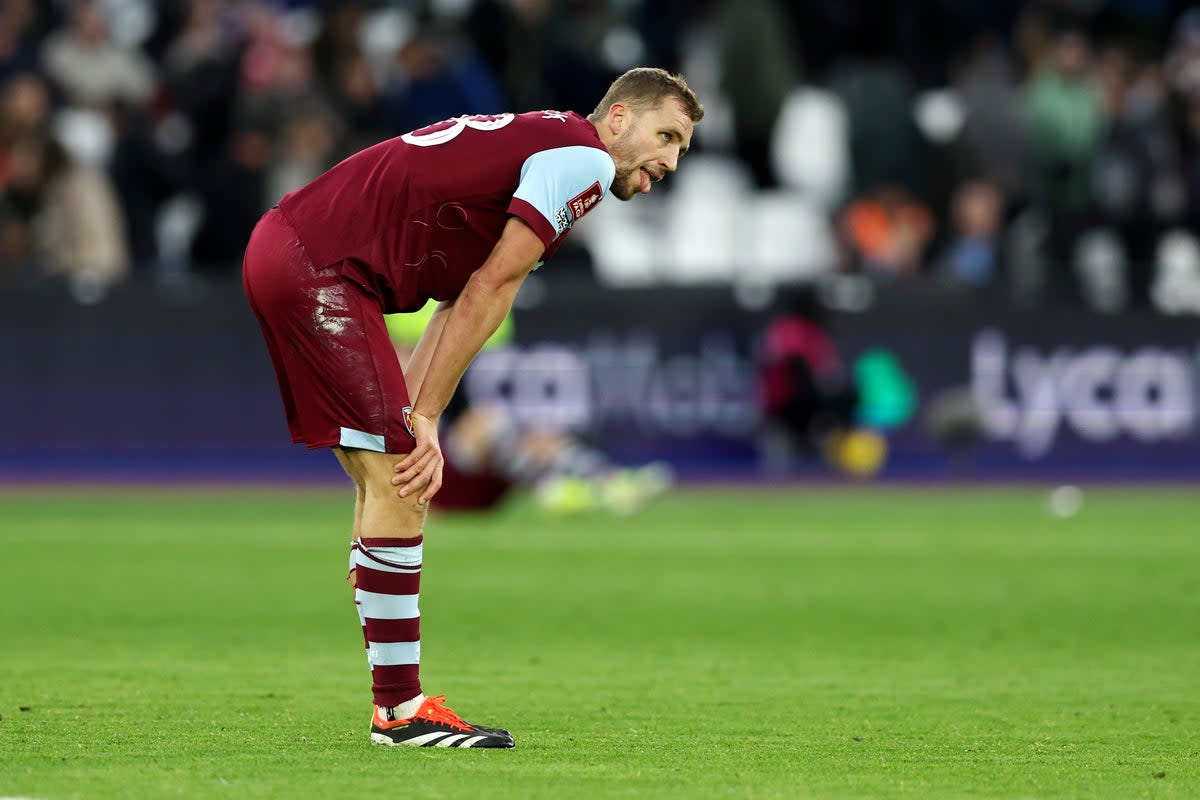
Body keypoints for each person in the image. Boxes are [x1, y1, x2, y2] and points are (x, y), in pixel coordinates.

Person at [242, 67, 702, 749]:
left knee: (385, 482)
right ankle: (400, 713)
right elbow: (492, 286)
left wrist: (420, 413)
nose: (668, 160)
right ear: (618, 118)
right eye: (665, 136)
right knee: (405, 474)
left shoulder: (548, 145)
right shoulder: (581, 162)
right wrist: (423, 417)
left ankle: (394, 688)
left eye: (682, 150)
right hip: (322, 266)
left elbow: (458, 298)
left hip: (298, 250)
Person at [385, 302, 673, 516]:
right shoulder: (398, 355)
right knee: (486, 421)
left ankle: (608, 481)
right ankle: (551, 486)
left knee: (535, 433)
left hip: (482, 474)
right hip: (430, 480)